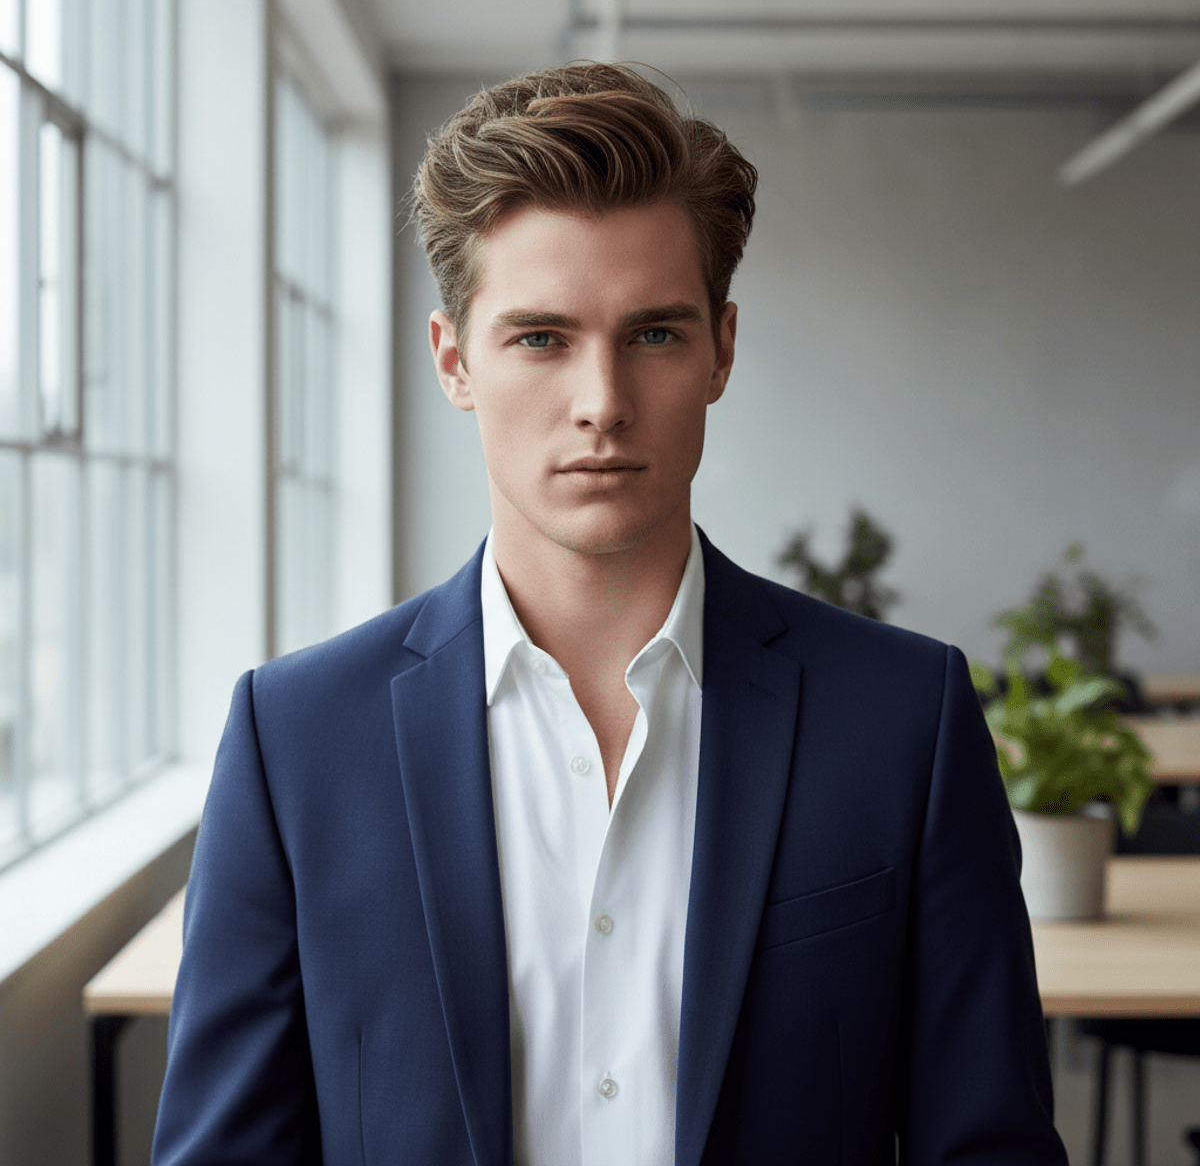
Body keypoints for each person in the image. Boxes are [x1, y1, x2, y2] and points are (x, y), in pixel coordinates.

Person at [152, 63, 1067, 1166]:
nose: (601, 402)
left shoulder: (902, 720)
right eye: (540, 338)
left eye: (654, 335)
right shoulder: (293, 740)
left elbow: (990, 1148)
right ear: (455, 362)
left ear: (722, 350)